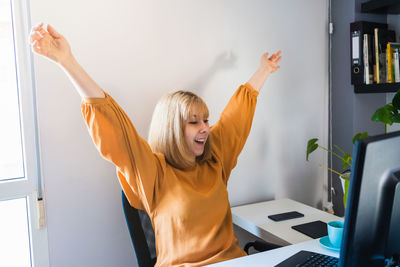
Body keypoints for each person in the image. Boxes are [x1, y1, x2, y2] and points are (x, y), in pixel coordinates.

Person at [30, 23, 282, 267]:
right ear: (172, 129)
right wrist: (67, 61)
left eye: (206, 120)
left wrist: (263, 70)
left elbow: (235, 118)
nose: (205, 127)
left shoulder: (215, 159)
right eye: (194, 122)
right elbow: (116, 129)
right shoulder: (152, 172)